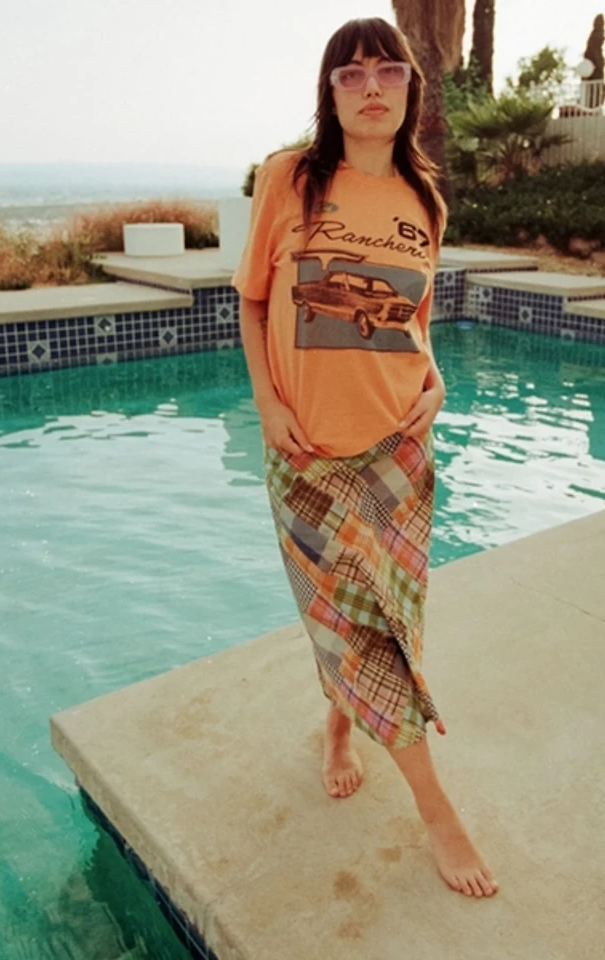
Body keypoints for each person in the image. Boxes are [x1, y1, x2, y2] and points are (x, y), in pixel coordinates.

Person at [232, 16, 498, 899]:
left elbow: (414, 320)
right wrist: (268, 404)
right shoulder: (290, 178)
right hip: (308, 453)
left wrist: (438, 381)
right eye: (351, 74)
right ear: (331, 92)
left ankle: (341, 722)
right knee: (355, 624)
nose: (372, 86)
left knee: (387, 619)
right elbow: (253, 302)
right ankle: (436, 811)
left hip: (400, 449)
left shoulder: (425, 199)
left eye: (389, 70)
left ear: (411, 89)